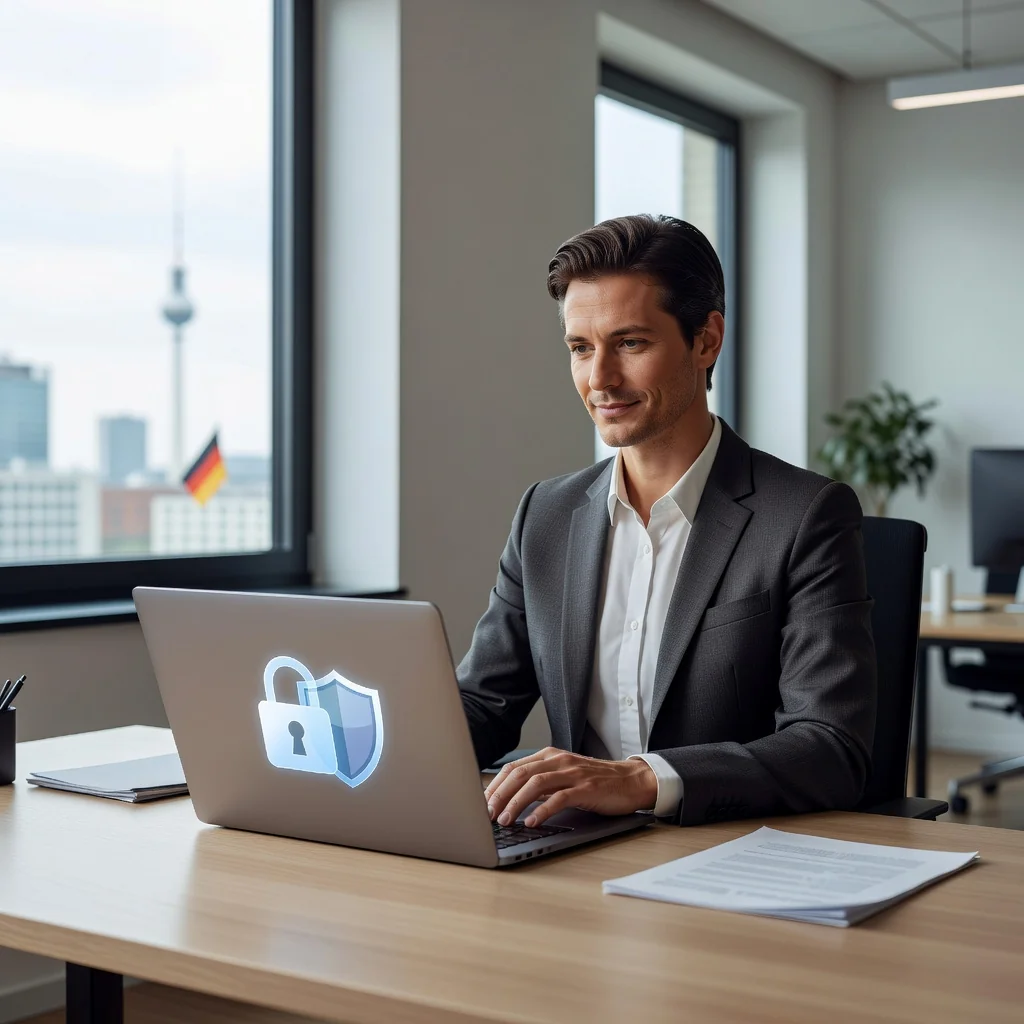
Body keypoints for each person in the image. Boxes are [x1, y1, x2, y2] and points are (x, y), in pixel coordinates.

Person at [458, 214, 876, 829]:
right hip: (572, 853)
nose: (599, 378)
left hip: (725, 851)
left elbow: (830, 747)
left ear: (706, 341)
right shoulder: (545, 515)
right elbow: (483, 704)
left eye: (630, 343)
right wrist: (373, 746)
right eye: (580, 348)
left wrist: (640, 779)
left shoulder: (805, 516)